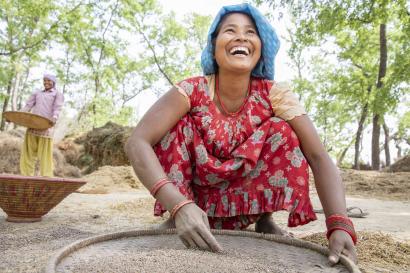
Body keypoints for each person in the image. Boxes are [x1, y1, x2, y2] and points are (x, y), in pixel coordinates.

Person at [125, 3, 357, 265]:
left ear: (261, 47)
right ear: (213, 45)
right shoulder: (191, 90)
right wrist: (178, 204)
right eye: (230, 30)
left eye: (250, 32)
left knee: (283, 130)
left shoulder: (274, 94)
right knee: (177, 127)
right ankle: (180, 217)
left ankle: (263, 218)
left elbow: (317, 155)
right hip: (191, 203)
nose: (241, 37)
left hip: (247, 201)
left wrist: (339, 224)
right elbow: (137, 141)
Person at [19, 73, 64, 177]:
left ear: (53, 82)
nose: (46, 82)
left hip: (46, 127)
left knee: (45, 155)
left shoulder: (57, 94)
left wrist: (54, 118)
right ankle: (26, 175)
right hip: (33, 126)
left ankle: (46, 176)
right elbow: (28, 106)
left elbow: (57, 108)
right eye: (44, 80)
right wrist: (16, 116)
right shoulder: (37, 93)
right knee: (28, 153)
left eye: (49, 80)